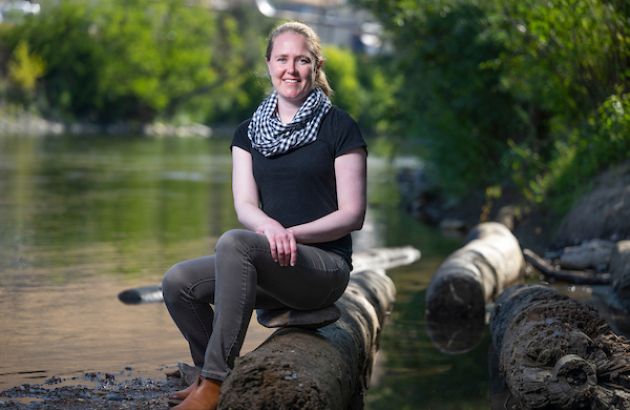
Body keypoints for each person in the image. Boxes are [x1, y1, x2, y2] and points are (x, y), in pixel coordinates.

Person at [161, 20, 367, 410]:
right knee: (178, 283)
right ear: (269, 64)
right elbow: (245, 206)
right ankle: (206, 373)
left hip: (323, 266)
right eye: (283, 59)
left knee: (235, 243)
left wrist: (290, 234)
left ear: (316, 66)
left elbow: (352, 214)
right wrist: (271, 229)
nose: (291, 69)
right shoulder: (247, 133)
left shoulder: (340, 127)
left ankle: (217, 383)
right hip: (273, 259)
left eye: (302, 60)